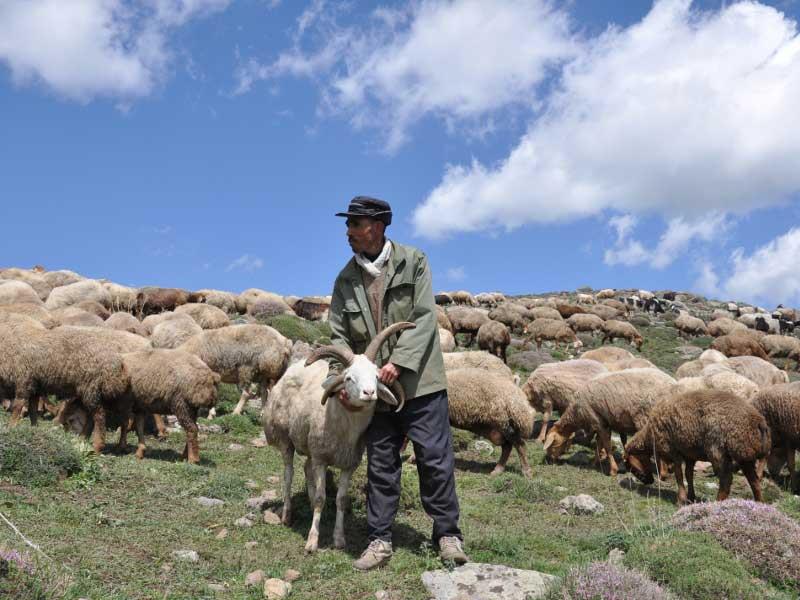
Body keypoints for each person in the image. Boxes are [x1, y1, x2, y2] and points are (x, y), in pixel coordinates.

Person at [327, 196, 468, 571]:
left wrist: (398, 362)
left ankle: (447, 534)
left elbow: (423, 318)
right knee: (381, 463)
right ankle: (379, 540)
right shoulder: (345, 280)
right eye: (349, 225)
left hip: (421, 383)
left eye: (354, 224)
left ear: (377, 226)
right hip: (375, 393)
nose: (348, 232)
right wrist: (337, 383)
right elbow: (337, 339)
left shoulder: (414, 262)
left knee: (434, 459)